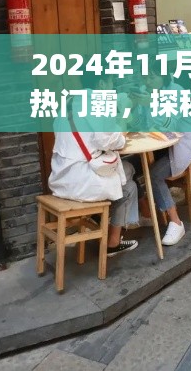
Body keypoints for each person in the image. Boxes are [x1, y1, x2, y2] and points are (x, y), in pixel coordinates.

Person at [48, 72, 139, 257]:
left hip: (61, 179)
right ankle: (112, 243)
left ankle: (101, 219)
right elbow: (111, 141)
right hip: (84, 184)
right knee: (129, 187)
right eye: (111, 82)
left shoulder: (68, 103)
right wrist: (123, 119)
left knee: (127, 170)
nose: (112, 87)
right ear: (102, 83)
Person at [129, 60, 191, 245]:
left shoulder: (177, 92)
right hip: (156, 147)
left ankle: (176, 222)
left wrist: (152, 103)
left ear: (163, 76)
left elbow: (170, 125)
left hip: (180, 147)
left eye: (152, 77)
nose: (147, 81)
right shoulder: (147, 92)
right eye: (145, 77)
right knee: (127, 168)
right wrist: (134, 107)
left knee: (154, 175)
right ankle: (147, 212)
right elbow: (141, 125)